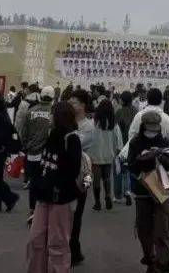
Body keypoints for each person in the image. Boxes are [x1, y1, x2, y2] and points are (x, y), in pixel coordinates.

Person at [26, 102, 82, 273]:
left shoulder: (71, 139)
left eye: (52, 114)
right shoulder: (51, 135)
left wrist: (55, 184)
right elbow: (43, 163)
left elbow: (73, 170)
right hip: (43, 195)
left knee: (57, 242)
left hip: (61, 198)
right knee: (36, 238)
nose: (49, 117)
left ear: (59, 117)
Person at [128, 112, 169, 273]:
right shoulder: (136, 142)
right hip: (142, 189)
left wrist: (160, 155)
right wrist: (143, 158)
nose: (153, 131)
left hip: (161, 188)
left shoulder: (163, 140)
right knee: (144, 228)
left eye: (155, 128)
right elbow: (131, 166)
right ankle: (150, 258)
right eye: (150, 128)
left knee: (163, 228)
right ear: (144, 126)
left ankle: (163, 263)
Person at [68, 88, 95, 266]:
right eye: (70, 102)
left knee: (76, 214)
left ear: (83, 105)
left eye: (74, 102)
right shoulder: (68, 123)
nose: (71, 104)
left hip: (82, 175)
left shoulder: (88, 126)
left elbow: (76, 145)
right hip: (67, 173)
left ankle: (74, 251)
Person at [19, 87, 55, 220]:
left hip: (32, 152)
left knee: (33, 182)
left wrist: (26, 145)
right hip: (47, 154)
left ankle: (32, 210)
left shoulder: (31, 111)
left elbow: (23, 132)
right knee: (47, 182)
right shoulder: (54, 112)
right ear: (52, 98)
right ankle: (44, 212)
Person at [86, 99, 123, 211]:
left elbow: (88, 139)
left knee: (96, 180)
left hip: (95, 155)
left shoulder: (93, 123)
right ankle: (108, 196)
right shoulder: (113, 124)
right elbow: (119, 141)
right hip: (109, 155)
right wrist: (117, 152)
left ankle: (97, 202)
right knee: (107, 177)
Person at [114, 91, 138, 206]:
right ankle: (128, 191)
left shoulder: (118, 112)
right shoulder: (136, 111)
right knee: (130, 169)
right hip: (133, 145)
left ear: (122, 100)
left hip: (121, 145)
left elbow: (115, 130)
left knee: (119, 170)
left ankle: (118, 195)